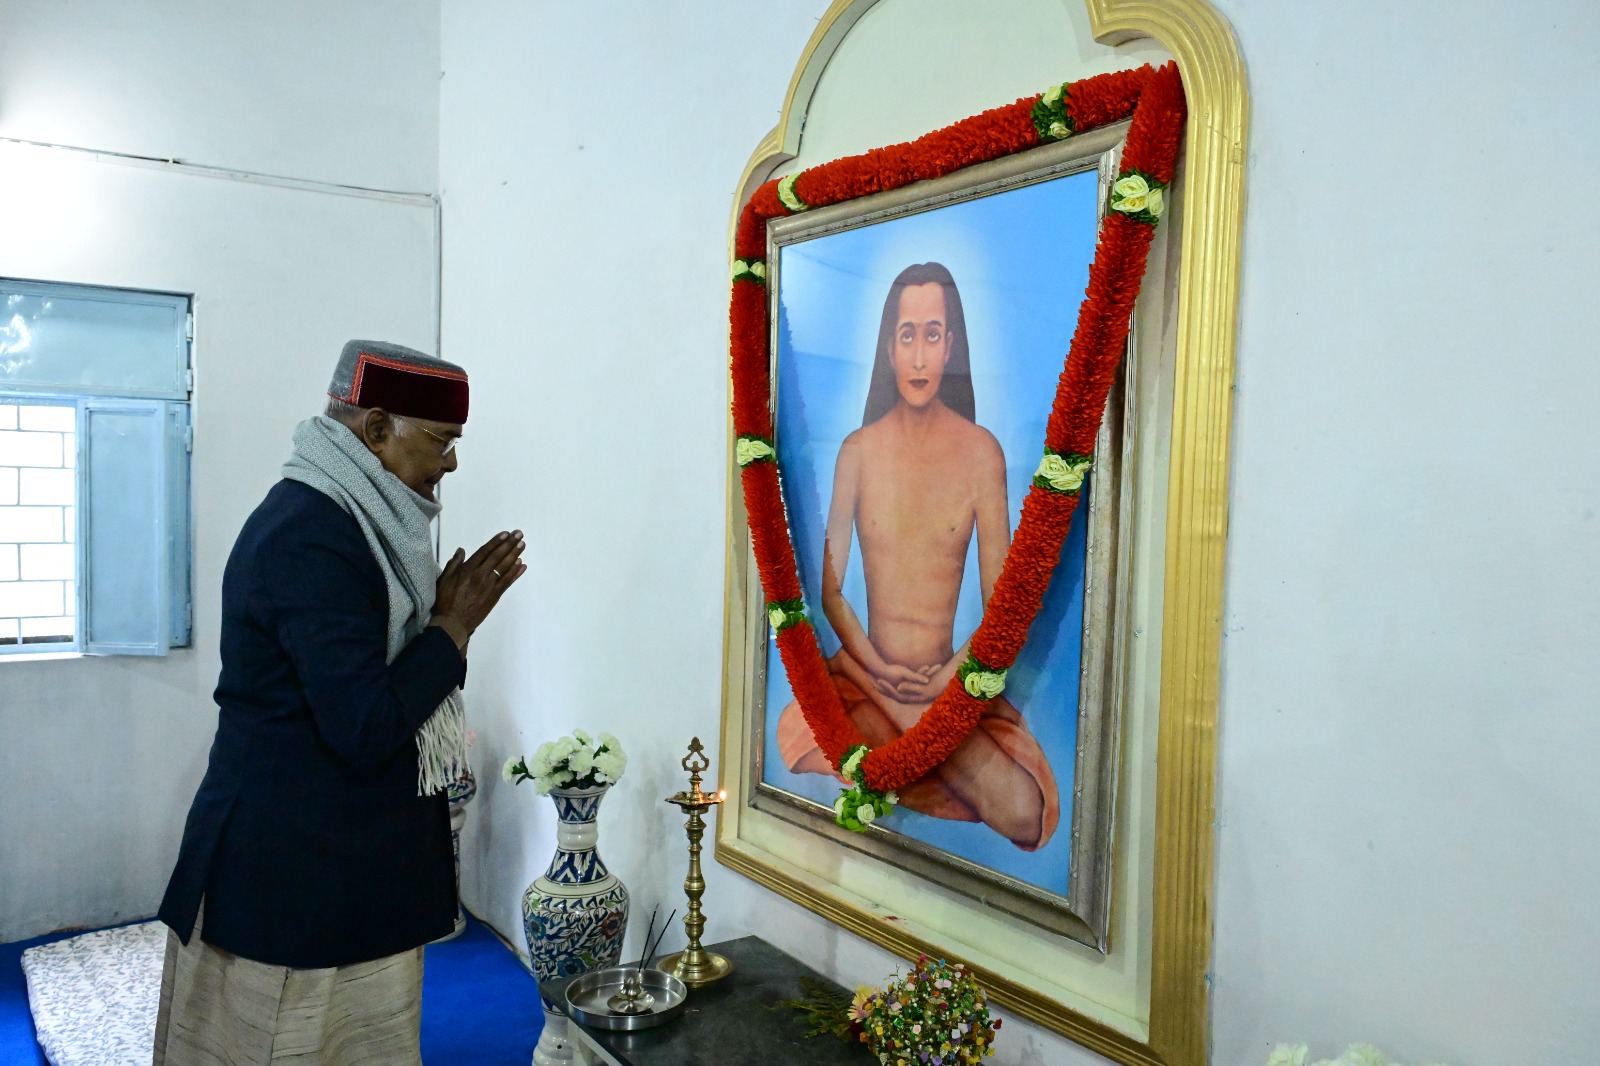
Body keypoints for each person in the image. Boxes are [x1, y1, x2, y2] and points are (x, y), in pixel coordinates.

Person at [153, 340, 525, 1065]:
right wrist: (451, 628)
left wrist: (447, 627)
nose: (451, 463)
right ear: (377, 428)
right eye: (443, 442)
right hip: (291, 883)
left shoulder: (354, 518)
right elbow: (364, 725)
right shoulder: (312, 534)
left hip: (341, 868)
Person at [776, 263, 1060, 851]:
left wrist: (954, 676)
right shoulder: (856, 451)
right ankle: (888, 731)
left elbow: (1000, 604)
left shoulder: (982, 453)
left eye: (934, 334)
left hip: (950, 689)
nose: (921, 357)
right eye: (908, 336)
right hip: (867, 677)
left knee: (1026, 814)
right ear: (888, 347)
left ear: (952, 344)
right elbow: (830, 592)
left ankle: (904, 744)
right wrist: (876, 668)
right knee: (843, 735)